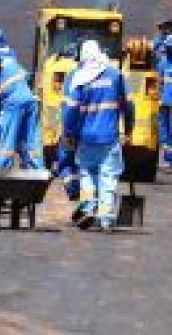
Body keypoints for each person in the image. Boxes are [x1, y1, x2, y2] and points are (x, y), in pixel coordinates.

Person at [62, 40, 135, 231]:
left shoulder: (80, 79)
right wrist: (129, 129)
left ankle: (88, 207)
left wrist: (68, 134)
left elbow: (70, 112)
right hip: (109, 138)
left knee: (87, 173)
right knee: (108, 176)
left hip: (86, 138)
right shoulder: (116, 76)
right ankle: (106, 219)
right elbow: (129, 105)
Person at [0, 47, 44, 171]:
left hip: (14, 103)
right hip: (31, 102)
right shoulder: (15, 65)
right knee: (30, 137)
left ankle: (3, 168)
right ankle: (36, 167)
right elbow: (27, 78)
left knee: (8, 137)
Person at [157, 35, 172, 167]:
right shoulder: (163, 62)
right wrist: (159, 97)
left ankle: (169, 158)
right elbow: (158, 81)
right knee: (164, 129)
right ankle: (168, 158)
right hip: (164, 101)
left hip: (166, 101)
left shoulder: (164, 61)